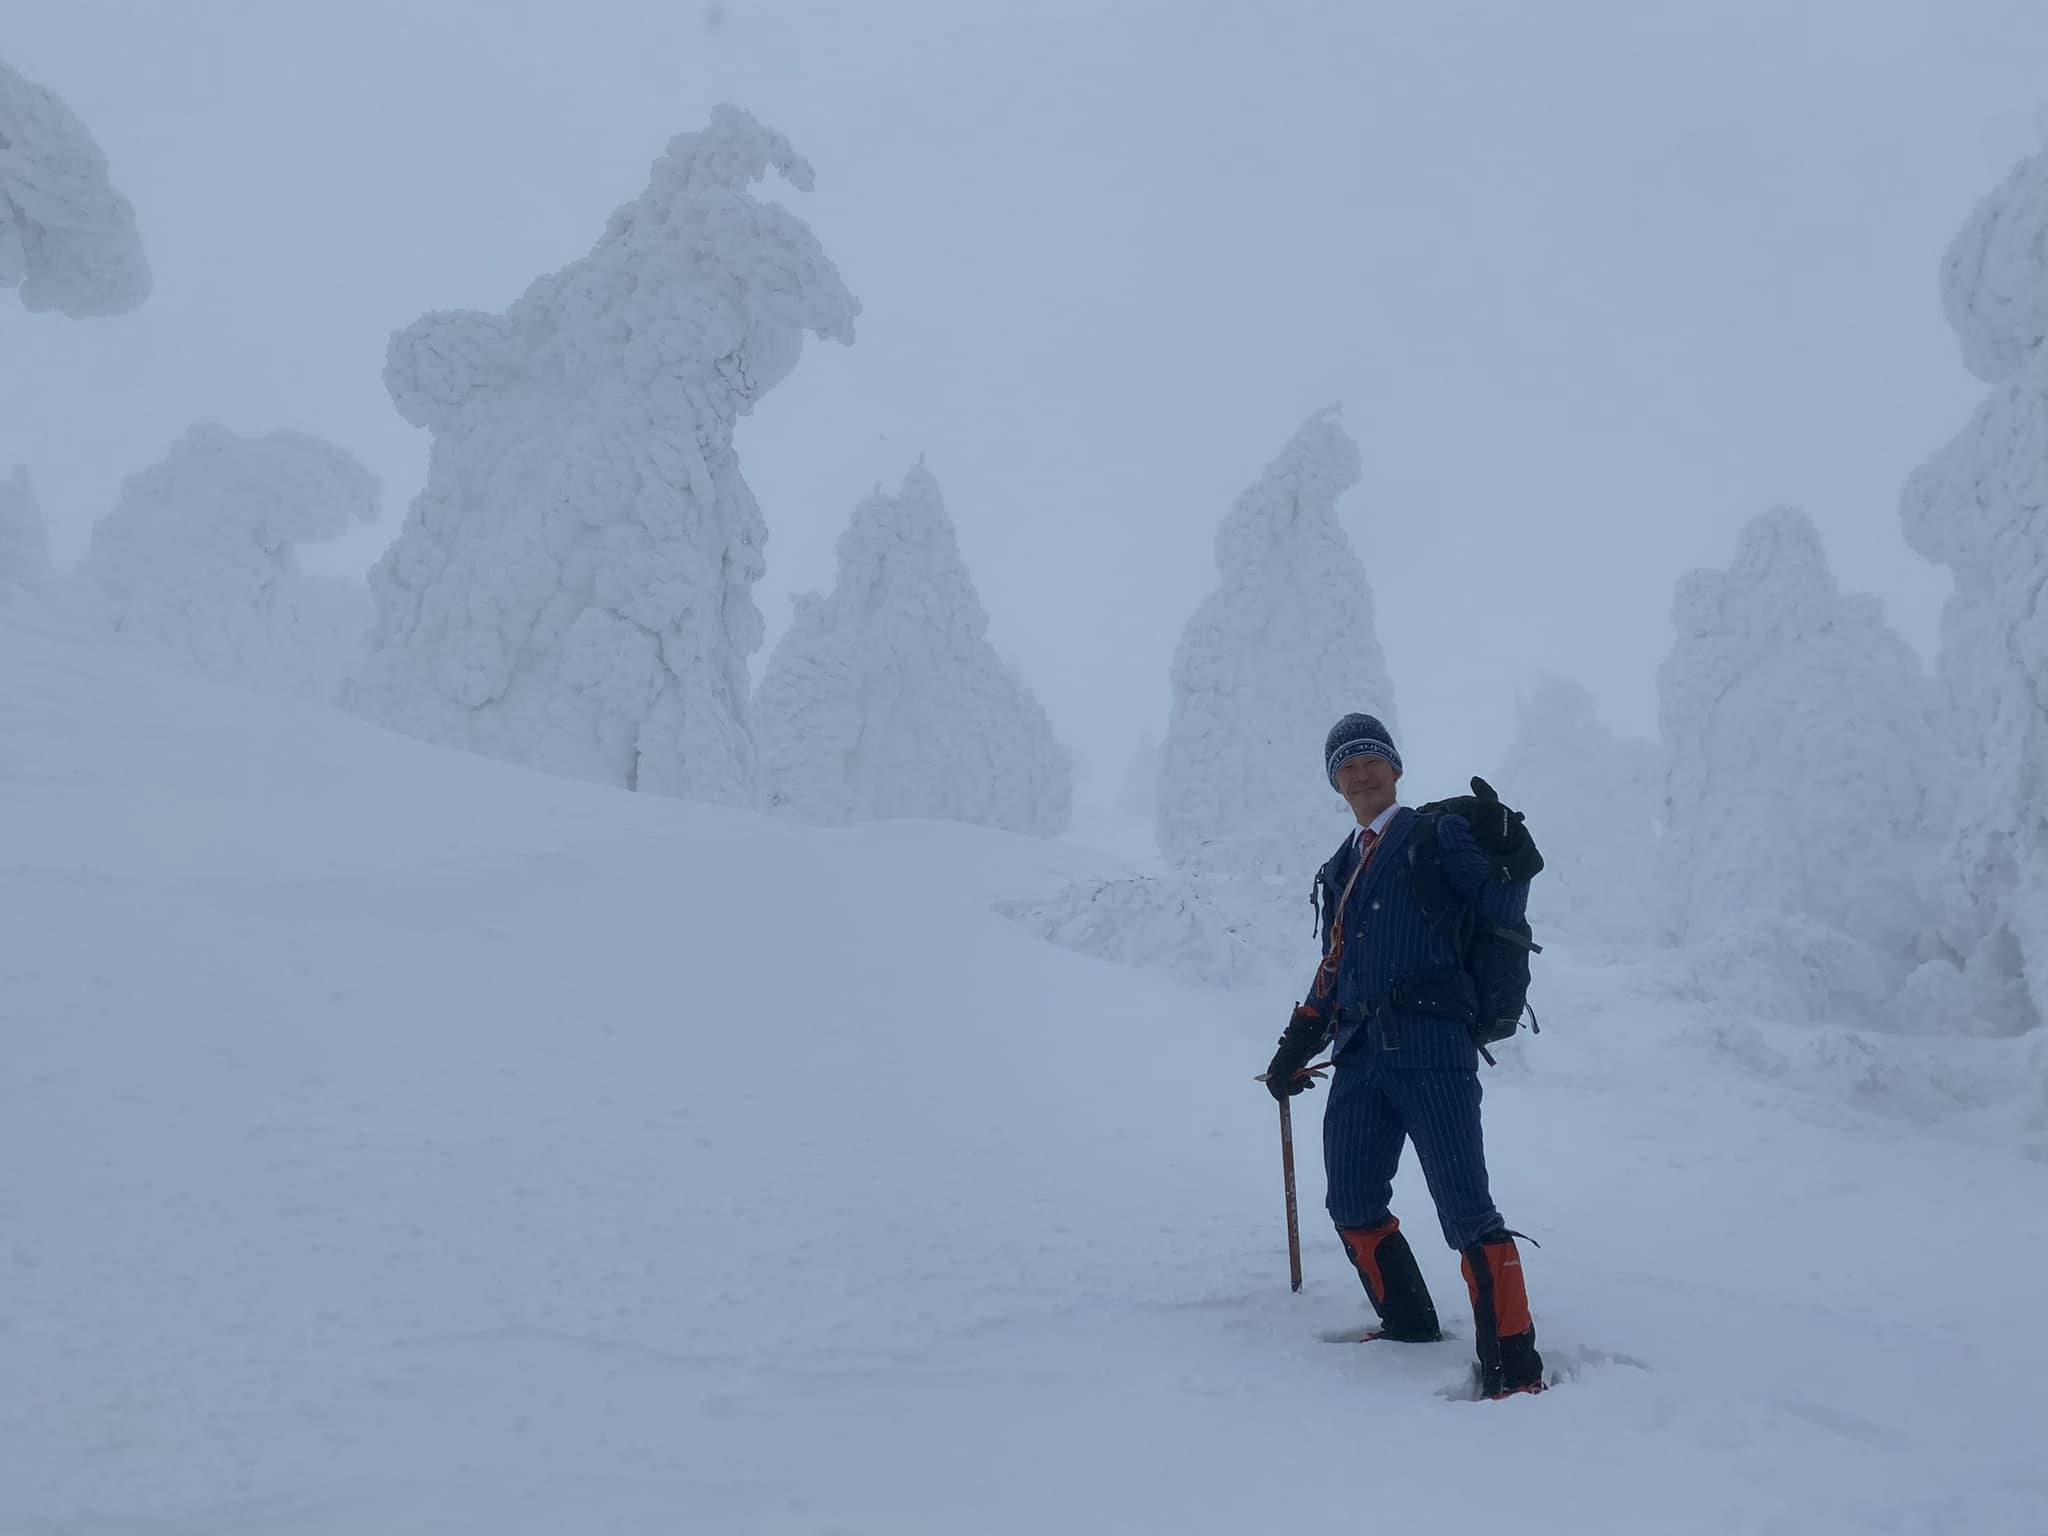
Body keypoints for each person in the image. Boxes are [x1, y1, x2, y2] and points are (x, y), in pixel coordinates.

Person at [1264, 712, 1545, 1399]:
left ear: (1395, 768)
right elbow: (1336, 965)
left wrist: (1510, 850)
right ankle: (1410, 1323)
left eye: (1371, 759)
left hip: (1431, 1047)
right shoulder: (1341, 865)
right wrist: (1299, 1041)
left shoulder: (1436, 832)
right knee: (1351, 1198)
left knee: (1465, 1208)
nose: (1360, 773)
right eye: (1346, 764)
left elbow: (1500, 899)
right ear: (1335, 781)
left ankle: (1515, 1366)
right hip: (1360, 1056)